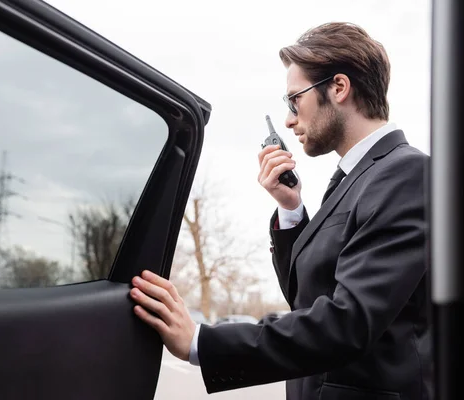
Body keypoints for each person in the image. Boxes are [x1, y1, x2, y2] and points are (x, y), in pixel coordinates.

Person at [129, 21, 432, 400]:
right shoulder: (358, 177)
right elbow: (309, 300)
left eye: (294, 100)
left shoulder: (406, 173)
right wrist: (291, 210)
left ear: (339, 88)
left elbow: (347, 322)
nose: (289, 119)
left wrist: (201, 341)